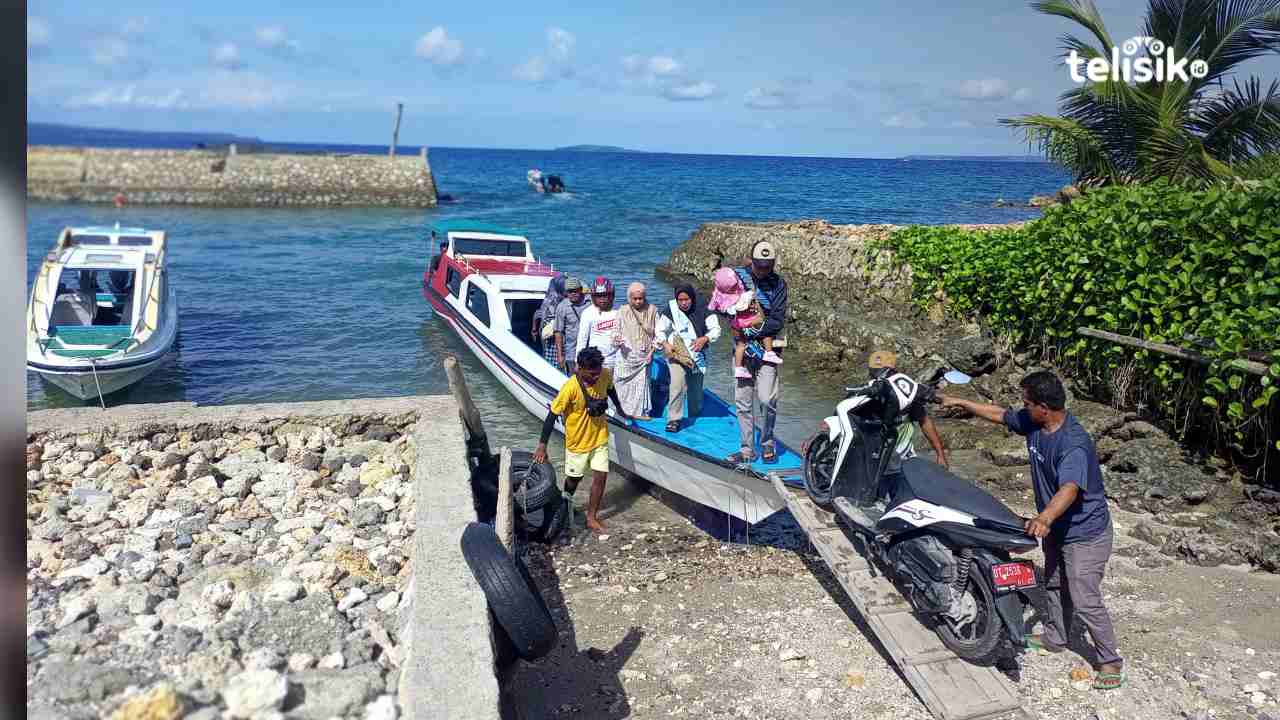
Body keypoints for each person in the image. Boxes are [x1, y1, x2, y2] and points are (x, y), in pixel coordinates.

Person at [939, 370, 1123, 690]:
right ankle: (1056, 638)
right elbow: (1000, 415)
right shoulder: (1036, 423)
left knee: (1083, 596)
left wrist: (1045, 518)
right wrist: (963, 402)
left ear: (1044, 407)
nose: (1021, 407)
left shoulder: (1073, 443)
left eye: (1026, 403)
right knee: (1052, 583)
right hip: (1058, 529)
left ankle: (1110, 661)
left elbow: (1069, 488)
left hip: (1086, 533)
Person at [533, 347, 633, 534]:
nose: (596, 377)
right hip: (577, 443)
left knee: (601, 476)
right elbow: (551, 415)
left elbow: (610, 389)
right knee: (574, 479)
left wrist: (619, 408)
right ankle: (564, 504)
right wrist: (541, 446)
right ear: (579, 368)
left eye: (597, 373)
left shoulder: (604, 373)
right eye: (591, 374)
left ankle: (591, 517)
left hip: (600, 436)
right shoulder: (569, 388)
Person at [725, 240, 789, 465]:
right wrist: (734, 319)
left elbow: (777, 320)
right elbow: (724, 304)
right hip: (741, 352)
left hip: (768, 350)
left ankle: (767, 442)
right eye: (759, 265)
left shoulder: (779, 284)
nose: (763, 270)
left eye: (767, 266)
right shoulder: (738, 277)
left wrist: (750, 329)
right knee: (742, 403)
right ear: (751, 260)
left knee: (767, 399)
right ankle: (746, 449)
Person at [866, 350, 948, 504]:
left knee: (905, 497)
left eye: (880, 373)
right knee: (876, 498)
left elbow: (925, 422)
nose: (877, 376)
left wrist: (940, 455)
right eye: (875, 373)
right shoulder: (868, 393)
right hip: (876, 459)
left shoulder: (907, 397)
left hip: (902, 457)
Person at [656, 284, 720, 433]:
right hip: (677, 354)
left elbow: (716, 330)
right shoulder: (671, 309)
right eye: (680, 300)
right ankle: (674, 419)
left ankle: (694, 417)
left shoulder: (704, 307)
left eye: (686, 299)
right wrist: (665, 343)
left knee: (696, 391)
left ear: (692, 298)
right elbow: (660, 330)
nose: (683, 303)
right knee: (677, 385)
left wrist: (705, 338)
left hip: (698, 355)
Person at [708, 266, 782, 379]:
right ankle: (769, 352)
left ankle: (738, 368)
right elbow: (745, 302)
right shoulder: (739, 295)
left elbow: (716, 308)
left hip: (735, 325)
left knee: (740, 345)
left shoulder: (719, 296)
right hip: (743, 322)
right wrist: (753, 299)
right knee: (765, 326)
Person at [614, 282, 657, 420]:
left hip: (644, 357)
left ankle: (639, 414)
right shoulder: (622, 311)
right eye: (635, 299)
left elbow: (660, 335)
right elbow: (616, 331)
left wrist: (651, 353)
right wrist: (617, 339)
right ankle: (620, 411)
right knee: (621, 384)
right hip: (626, 356)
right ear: (629, 298)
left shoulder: (652, 311)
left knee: (641, 387)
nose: (638, 301)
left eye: (641, 298)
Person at [576, 277, 623, 372]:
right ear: (593, 297)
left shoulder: (619, 311)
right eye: (598, 296)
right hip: (596, 362)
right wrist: (578, 362)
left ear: (611, 295)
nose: (602, 299)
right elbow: (582, 339)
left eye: (605, 295)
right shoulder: (588, 313)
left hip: (617, 361)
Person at [552, 276, 590, 373]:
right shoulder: (562, 307)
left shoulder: (590, 302)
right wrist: (560, 356)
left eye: (575, 291)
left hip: (590, 350)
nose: (573, 294)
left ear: (581, 290)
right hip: (572, 353)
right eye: (570, 291)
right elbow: (558, 332)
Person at [534, 273, 566, 363]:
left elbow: (537, 314)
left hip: (546, 332)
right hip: (552, 334)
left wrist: (534, 329)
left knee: (549, 355)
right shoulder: (558, 301)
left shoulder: (547, 299)